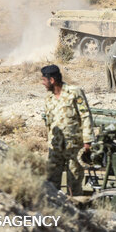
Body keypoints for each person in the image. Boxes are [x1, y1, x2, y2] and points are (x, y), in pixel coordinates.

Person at [41, 65, 94, 196]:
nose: (42, 83)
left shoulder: (74, 92)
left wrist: (87, 141)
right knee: (52, 180)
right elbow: (49, 122)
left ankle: (75, 210)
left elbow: (86, 116)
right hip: (55, 147)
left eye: (44, 80)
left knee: (75, 180)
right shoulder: (48, 98)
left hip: (74, 146)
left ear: (52, 80)